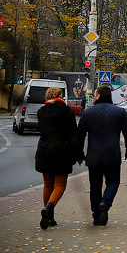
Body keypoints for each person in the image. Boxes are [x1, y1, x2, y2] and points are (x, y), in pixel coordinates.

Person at [76, 84, 127, 226]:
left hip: (94, 156)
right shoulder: (120, 112)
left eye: (95, 94)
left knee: (95, 186)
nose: (94, 96)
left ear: (99, 96)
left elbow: (80, 136)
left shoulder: (88, 113)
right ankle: (105, 203)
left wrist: (79, 154)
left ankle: (96, 216)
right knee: (113, 182)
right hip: (112, 155)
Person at [34, 86, 79, 230]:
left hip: (44, 150)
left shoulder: (41, 112)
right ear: (60, 95)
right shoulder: (67, 112)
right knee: (60, 185)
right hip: (62, 151)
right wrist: (77, 154)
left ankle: (49, 217)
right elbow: (73, 135)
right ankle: (49, 206)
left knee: (47, 184)